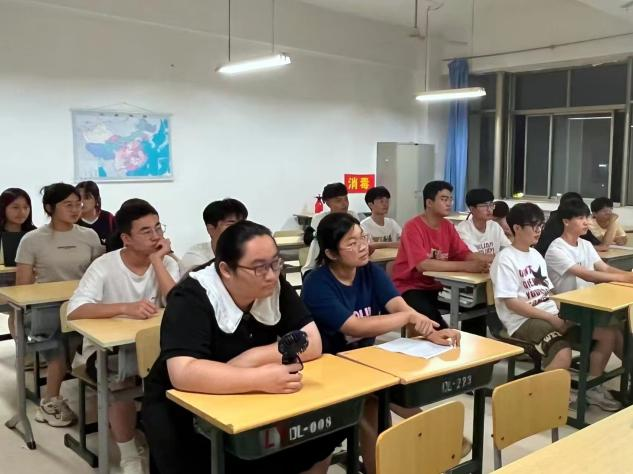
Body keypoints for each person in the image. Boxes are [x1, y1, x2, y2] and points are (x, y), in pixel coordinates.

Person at [142, 221, 339, 474]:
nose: (271, 274)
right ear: (226, 269)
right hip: (182, 407)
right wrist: (258, 378)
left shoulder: (273, 284)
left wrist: (252, 358)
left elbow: (311, 340)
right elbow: (184, 372)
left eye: (275, 263)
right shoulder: (192, 296)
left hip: (247, 396)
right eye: (259, 267)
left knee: (318, 433)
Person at [302, 212, 461, 474]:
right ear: (331, 253)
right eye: (352, 243)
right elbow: (354, 326)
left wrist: (431, 330)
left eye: (362, 238)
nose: (362, 246)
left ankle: (425, 437)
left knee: (385, 399)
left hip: (365, 365)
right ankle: (433, 431)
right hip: (326, 371)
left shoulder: (369, 272)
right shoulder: (317, 284)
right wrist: (407, 317)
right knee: (373, 405)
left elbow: (398, 305)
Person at [67, 199, 180, 473]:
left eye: (158, 228)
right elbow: (75, 310)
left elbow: (178, 305)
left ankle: (173, 442)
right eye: (146, 231)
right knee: (121, 380)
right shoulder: (104, 266)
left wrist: (157, 260)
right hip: (106, 350)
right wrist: (124, 308)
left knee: (183, 371)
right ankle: (128, 452)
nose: (156, 236)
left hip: (154, 346)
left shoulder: (167, 263)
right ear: (126, 238)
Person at [15, 182, 104, 427]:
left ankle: (111, 391)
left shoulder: (89, 235)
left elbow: (99, 273)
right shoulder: (32, 240)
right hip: (45, 308)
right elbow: (22, 287)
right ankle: (50, 401)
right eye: (68, 205)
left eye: (78, 204)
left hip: (80, 305)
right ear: (49, 208)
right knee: (61, 343)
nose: (76, 209)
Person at [544, 199, 626, 411]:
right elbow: (587, 274)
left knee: (620, 328)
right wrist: (627, 279)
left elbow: (604, 269)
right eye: (580, 218)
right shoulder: (556, 249)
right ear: (566, 221)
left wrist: (627, 277)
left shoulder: (586, 245)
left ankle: (616, 375)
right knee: (609, 334)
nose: (586, 222)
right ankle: (593, 386)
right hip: (567, 312)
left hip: (589, 307)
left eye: (587, 217)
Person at [391, 181, 490, 333]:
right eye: (444, 199)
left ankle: (473, 346)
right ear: (429, 203)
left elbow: (463, 253)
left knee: (478, 306)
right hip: (411, 287)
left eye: (451, 199)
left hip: (439, 286)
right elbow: (423, 265)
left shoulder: (448, 226)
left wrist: (484, 261)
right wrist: (467, 266)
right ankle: (444, 342)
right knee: (436, 326)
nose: (449, 203)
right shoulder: (413, 227)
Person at [490, 203, 574, 377]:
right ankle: (535, 391)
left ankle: (591, 385)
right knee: (562, 353)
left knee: (606, 333)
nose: (538, 230)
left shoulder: (535, 255)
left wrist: (564, 310)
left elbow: (548, 292)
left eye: (541, 225)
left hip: (548, 312)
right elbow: (512, 304)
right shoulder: (505, 259)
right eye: (534, 226)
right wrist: (552, 318)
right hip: (522, 320)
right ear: (517, 228)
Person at [0, 188, 37, 338]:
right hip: (3, 284)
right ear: (3, 208)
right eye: (15, 207)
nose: (22, 212)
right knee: (17, 308)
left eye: (26, 207)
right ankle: (22, 347)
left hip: (28, 282)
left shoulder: (34, 234)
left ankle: (26, 346)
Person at [302, 183, 359, 276]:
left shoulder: (352, 216)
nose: (344, 204)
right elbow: (311, 240)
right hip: (321, 266)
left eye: (346, 199)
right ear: (327, 203)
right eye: (338, 201)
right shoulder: (320, 219)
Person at [179, 198, 248, 274]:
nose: (239, 229)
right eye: (231, 224)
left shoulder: (248, 251)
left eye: (242, 224)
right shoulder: (195, 257)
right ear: (211, 229)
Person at [534, 192, 603, 256]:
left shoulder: (578, 223)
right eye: (581, 217)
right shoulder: (556, 224)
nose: (586, 222)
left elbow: (595, 241)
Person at [456, 189, 511, 256]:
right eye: (484, 206)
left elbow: (508, 249)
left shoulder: (494, 226)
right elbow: (476, 257)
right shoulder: (463, 229)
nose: (489, 209)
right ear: (472, 209)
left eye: (491, 204)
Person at [76, 180, 116, 246]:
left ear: (96, 199)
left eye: (87, 198)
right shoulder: (73, 220)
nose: (82, 202)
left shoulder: (108, 218)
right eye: (79, 198)